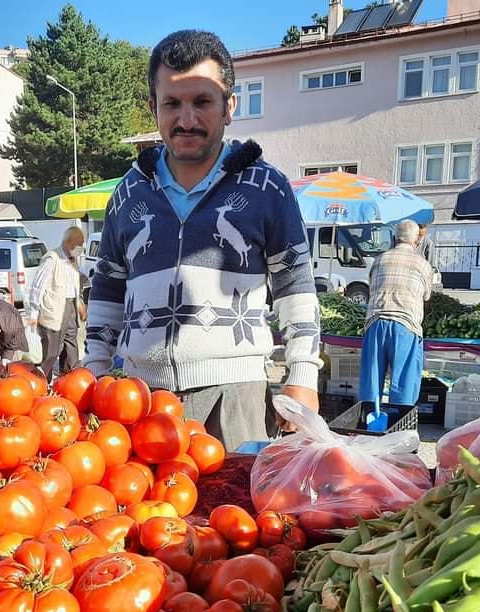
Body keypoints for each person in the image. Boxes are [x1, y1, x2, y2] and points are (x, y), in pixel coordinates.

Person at [83, 30, 321, 451]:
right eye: (172, 103)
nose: (187, 120)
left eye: (202, 102)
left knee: (235, 513)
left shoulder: (268, 186)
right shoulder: (127, 192)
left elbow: (295, 286)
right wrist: (95, 369)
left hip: (236, 398)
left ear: (229, 106)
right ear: (153, 108)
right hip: (138, 400)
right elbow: (107, 288)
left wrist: (302, 378)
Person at [359, 219, 433, 407]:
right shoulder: (423, 264)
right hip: (405, 326)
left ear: (394, 238)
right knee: (404, 384)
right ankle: (399, 429)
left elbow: (371, 289)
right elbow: (426, 296)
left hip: (375, 324)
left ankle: (368, 426)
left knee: (371, 383)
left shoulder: (379, 260)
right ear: (416, 240)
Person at [28, 226, 87, 380]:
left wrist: (80, 305)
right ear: (67, 243)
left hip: (70, 305)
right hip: (54, 308)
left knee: (71, 344)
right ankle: (41, 381)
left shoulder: (73, 260)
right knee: (52, 349)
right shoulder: (52, 258)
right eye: (78, 244)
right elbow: (37, 286)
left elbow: (75, 285)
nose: (81, 249)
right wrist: (34, 313)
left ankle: (70, 378)